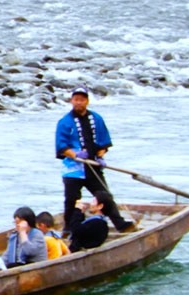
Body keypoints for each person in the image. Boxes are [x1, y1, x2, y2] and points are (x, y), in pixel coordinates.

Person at [54, 85, 133, 233]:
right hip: (73, 169)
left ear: (87, 101)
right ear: (71, 101)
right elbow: (62, 147)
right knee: (71, 200)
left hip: (93, 167)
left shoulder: (96, 119)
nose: (79, 102)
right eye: (76, 99)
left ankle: (120, 224)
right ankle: (69, 229)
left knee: (105, 196)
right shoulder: (64, 122)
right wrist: (75, 155)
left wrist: (99, 156)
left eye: (82, 99)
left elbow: (104, 143)